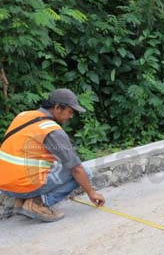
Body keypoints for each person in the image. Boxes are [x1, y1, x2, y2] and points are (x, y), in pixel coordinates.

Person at [0, 88, 106, 222]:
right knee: (85, 172)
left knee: (54, 164)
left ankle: (20, 202)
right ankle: (37, 204)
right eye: (70, 111)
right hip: (22, 185)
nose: (71, 116)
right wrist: (91, 193)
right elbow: (76, 168)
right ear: (57, 108)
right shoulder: (50, 129)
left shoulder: (24, 115)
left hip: (4, 184)